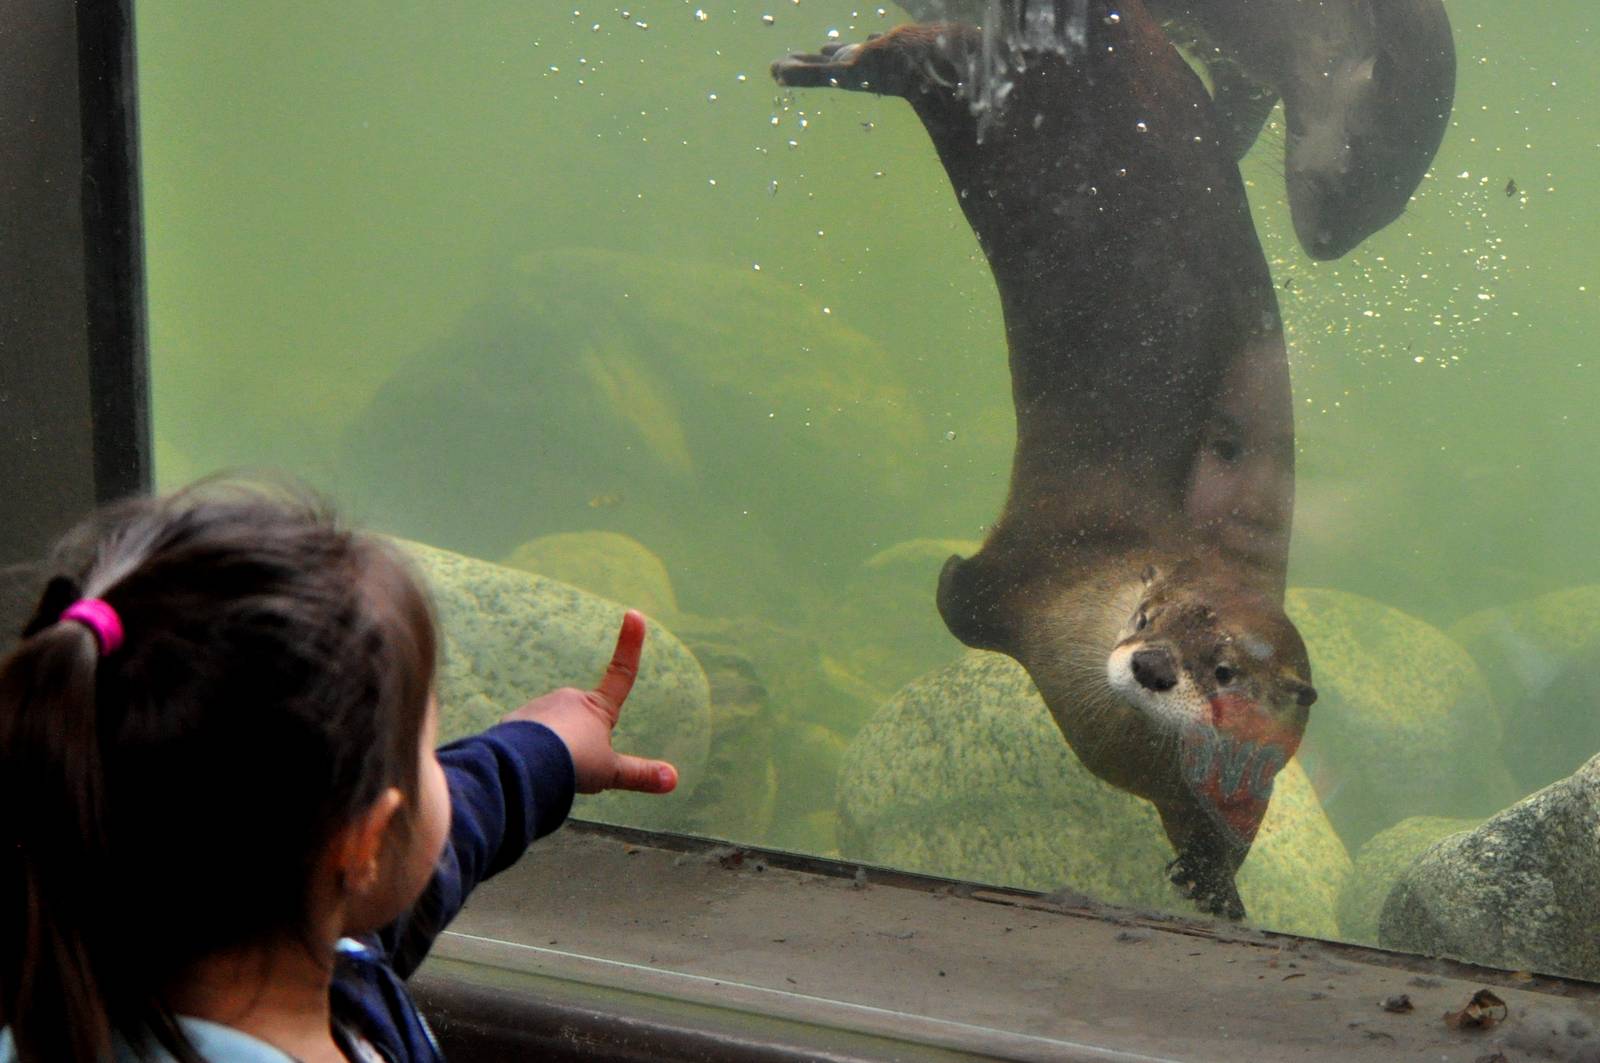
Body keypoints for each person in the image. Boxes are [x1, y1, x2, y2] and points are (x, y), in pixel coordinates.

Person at [0, 480, 678, 1062]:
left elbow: (446, 832)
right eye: (428, 751)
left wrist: (544, 749)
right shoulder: (338, 974)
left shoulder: (74, 960)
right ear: (362, 844)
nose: (444, 774)